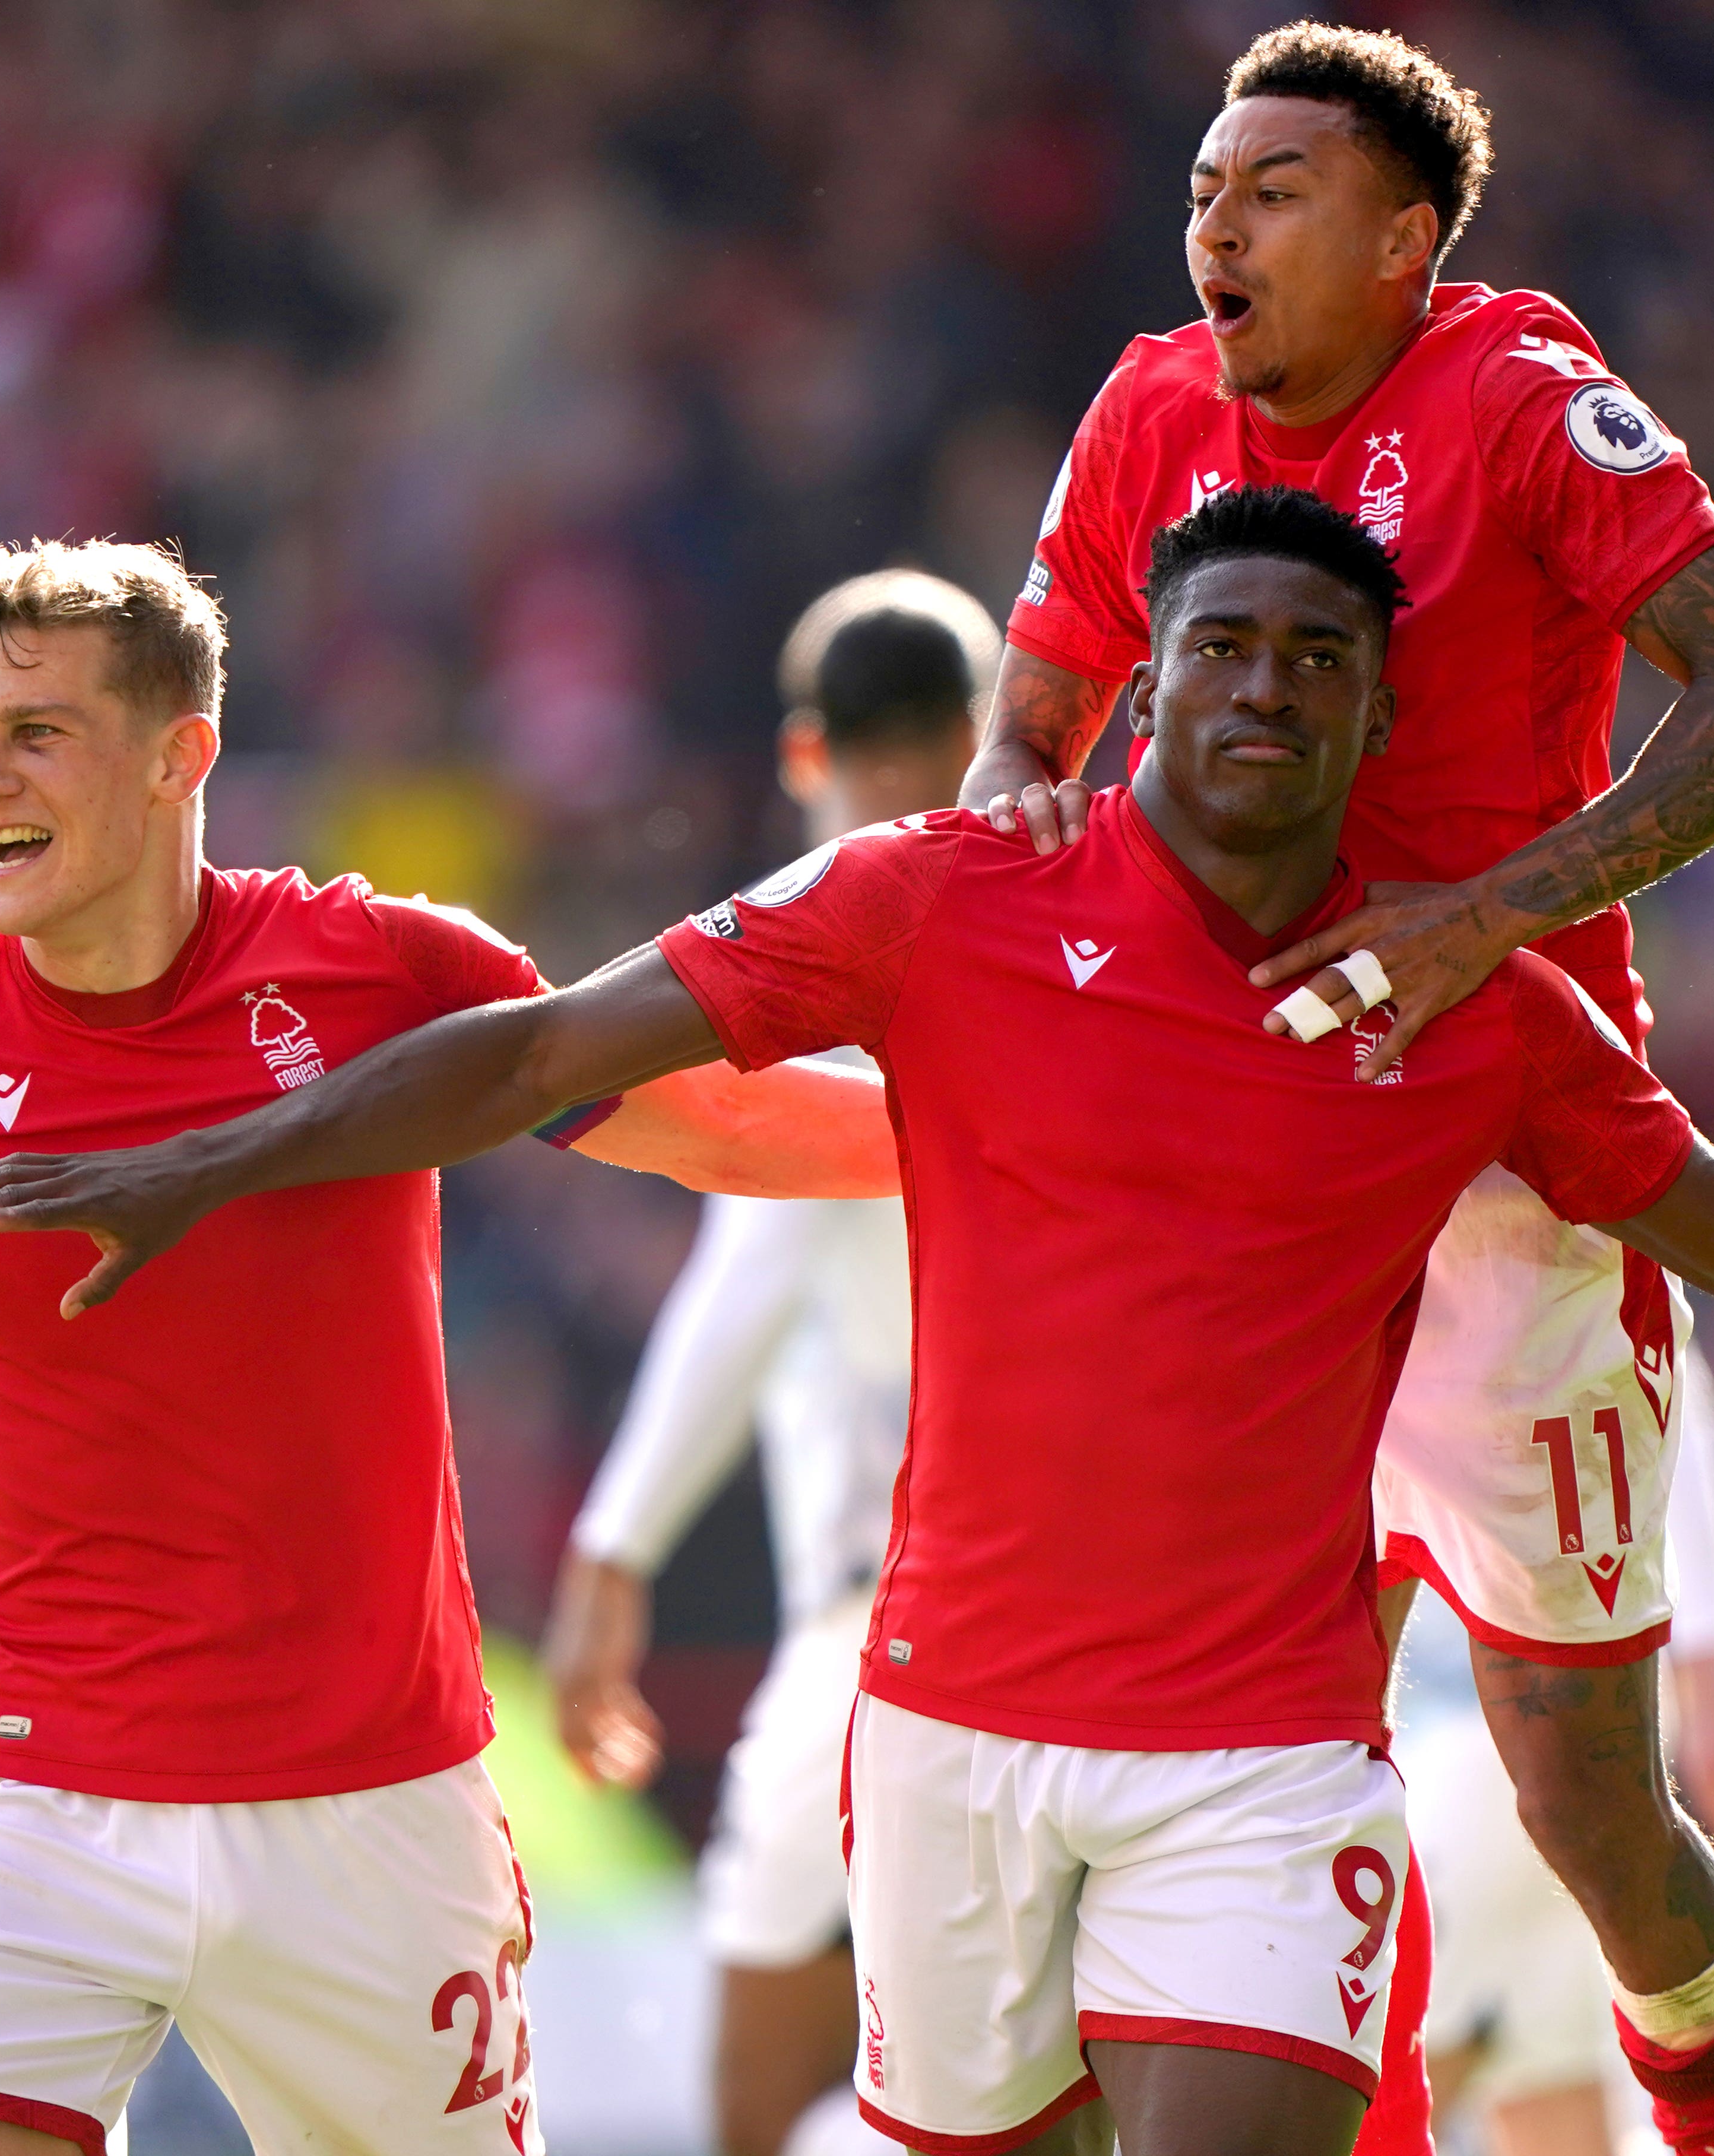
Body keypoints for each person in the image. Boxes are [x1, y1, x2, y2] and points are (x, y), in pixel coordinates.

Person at [0, 490, 1714, 2156]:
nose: (1267, 686)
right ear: (1144, 685)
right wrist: (206, 1158)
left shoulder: (1470, 1002)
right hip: (943, 1734)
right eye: (1226, 648)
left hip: (1266, 1762)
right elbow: (555, 1047)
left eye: (1320, 660)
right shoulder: (943, 899)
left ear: (1381, 715)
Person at [0, 539, 899, 2156]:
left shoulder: (383, 972)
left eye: (39, 731)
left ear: (178, 755)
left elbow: (709, 1126)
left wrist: (1003, 1126)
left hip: (372, 1810)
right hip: (43, 1800)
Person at [960, 26, 1714, 2149]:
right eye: (1202, 186)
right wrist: (1016, 837)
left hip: (1500, 1154)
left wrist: (1478, 917)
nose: (1213, 224)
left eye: (1270, 190)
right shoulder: (1145, 406)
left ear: (1401, 237)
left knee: (1576, 1795)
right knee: (1260, 1765)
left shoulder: (1520, 400)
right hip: (1235, 1186)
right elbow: (1027, 735)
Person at [541, 571, 987, 2156]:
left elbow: (750, 1266)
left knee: (765, 2108)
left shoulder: (825, 972)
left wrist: (613, 1551)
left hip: (889, 1624)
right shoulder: (1063, 943)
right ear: (984, 734)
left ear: (809, 755)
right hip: (1064, 1617)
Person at [1393, 1343, 1714, 2156]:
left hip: (1519, 1693)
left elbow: (1652, 1341)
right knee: (1545, 2073)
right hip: (1441, 1683)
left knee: (1390, 2060)